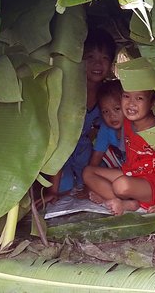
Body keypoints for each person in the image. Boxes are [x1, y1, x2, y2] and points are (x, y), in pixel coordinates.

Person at [39, 29, 116, 205]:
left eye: (104, 58)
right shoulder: (66, 92)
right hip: (61, 152)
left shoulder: (109, 96)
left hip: (87, 152)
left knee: (100, 184)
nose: (98, 64)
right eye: (91, 57)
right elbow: (57, 141)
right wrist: (52, 190)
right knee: (60, 188)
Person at [83, 88, 155, 215]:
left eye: (139, 98)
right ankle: (119, 200)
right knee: (88, 172)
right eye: (126, 96)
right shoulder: (127, 124)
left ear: (153, 103)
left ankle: (131, 204)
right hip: (134, 174)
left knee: (121, 185)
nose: (131, 103)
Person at [91, 79, 125, 169]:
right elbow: (96, 159)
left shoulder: (135, 127)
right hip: (123, 173)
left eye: (117, 109)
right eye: (105, 111)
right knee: (88, 172)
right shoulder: (106, 128)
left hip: (142, 173)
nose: (112, 115)